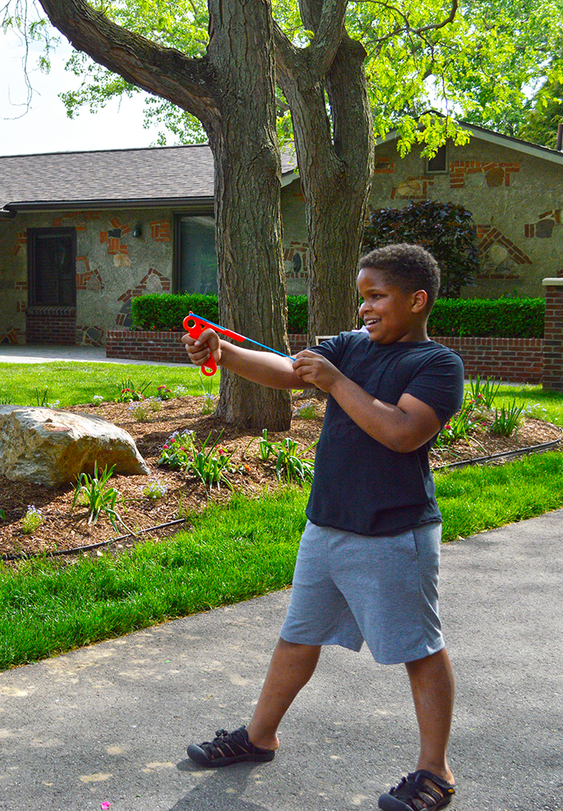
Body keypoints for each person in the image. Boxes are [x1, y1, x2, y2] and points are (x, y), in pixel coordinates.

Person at [181, 243, 464, 811]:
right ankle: (259, 736)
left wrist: (335, 383)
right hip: (328, 524)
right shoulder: (350, 349)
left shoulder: (435, 365)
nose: (364, 309)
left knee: (419, 648)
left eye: (376, 297)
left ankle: (436, 772)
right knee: (298, 634)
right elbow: (290, 372)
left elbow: (403, 431)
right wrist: (227, 354)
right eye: (362, 298)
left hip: (393, 532)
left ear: (417, 300)